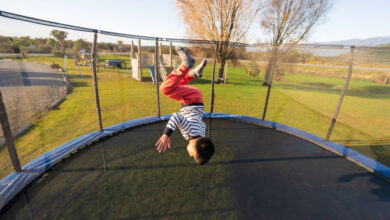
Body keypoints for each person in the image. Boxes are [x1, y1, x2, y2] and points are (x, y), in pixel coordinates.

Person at [155, 46, 214, 165]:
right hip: (190, 100)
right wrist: (167, 134)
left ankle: (194, 74)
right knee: (165, 88)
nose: (189, 154)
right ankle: (187, 64)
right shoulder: (189, 132)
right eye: (193, 154)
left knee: (174, 83)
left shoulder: (201, 133)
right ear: (194, 143)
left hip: (196, 101)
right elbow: (177, 116)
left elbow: (202, 123)